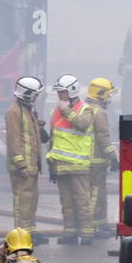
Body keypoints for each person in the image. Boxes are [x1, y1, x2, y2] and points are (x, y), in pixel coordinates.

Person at [45, 74, 95, 244]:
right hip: (61, 165)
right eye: (58, 92)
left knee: (82, 201)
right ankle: (70, 233)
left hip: (79, 165)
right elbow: (53, 140)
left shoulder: (85, 109)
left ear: (72, 91)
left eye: (63, 92)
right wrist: (51, 166)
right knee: (66, 202)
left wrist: (66, 111)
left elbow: (82, 125)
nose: (60, 96)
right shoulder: (55, 112)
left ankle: (87, 233)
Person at [4, 75, 48, 231]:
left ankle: (30, 230)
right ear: (28, 93)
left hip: (31, 166)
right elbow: (14, 140)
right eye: (35, 93)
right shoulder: (13, 112)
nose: (37, 96)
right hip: (22, 167)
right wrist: (21, 164)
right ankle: (21, 233)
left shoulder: (28, 110)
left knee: (32, 199)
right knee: (22, 200)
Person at [83, 78, 119, 239]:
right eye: (108, 94)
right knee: (96, 193)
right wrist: (114, 157)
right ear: (101, 93)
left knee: (92, 192)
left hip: (85, 159)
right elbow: (104, 137)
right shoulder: (100, 112)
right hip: (96, 159)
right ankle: (95, 225)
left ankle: (99, 224)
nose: (109, 98)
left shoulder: (85, 108)